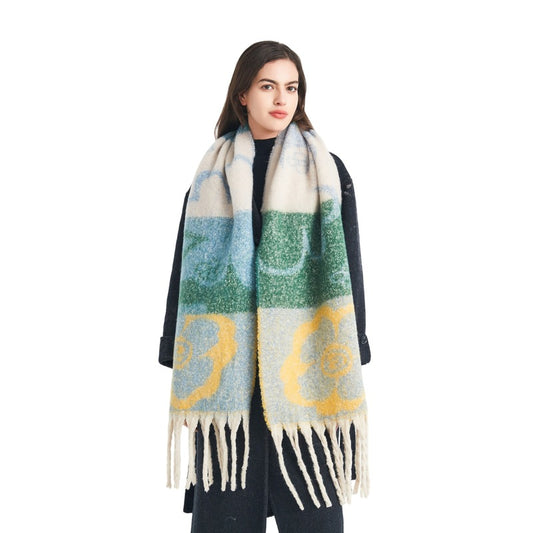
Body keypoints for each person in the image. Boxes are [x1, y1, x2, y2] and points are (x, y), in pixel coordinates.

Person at [159, 41, 372, 533]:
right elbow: (185, 271)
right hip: (229, 370)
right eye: (268, 86)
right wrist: (180, 354)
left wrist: (351, 344)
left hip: (302, 365)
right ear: (243, 95)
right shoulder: (210, 177)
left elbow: (348, 268)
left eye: (291, 88)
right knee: (226, 514)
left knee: (315, 513)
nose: (281, 99)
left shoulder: (326, 171)